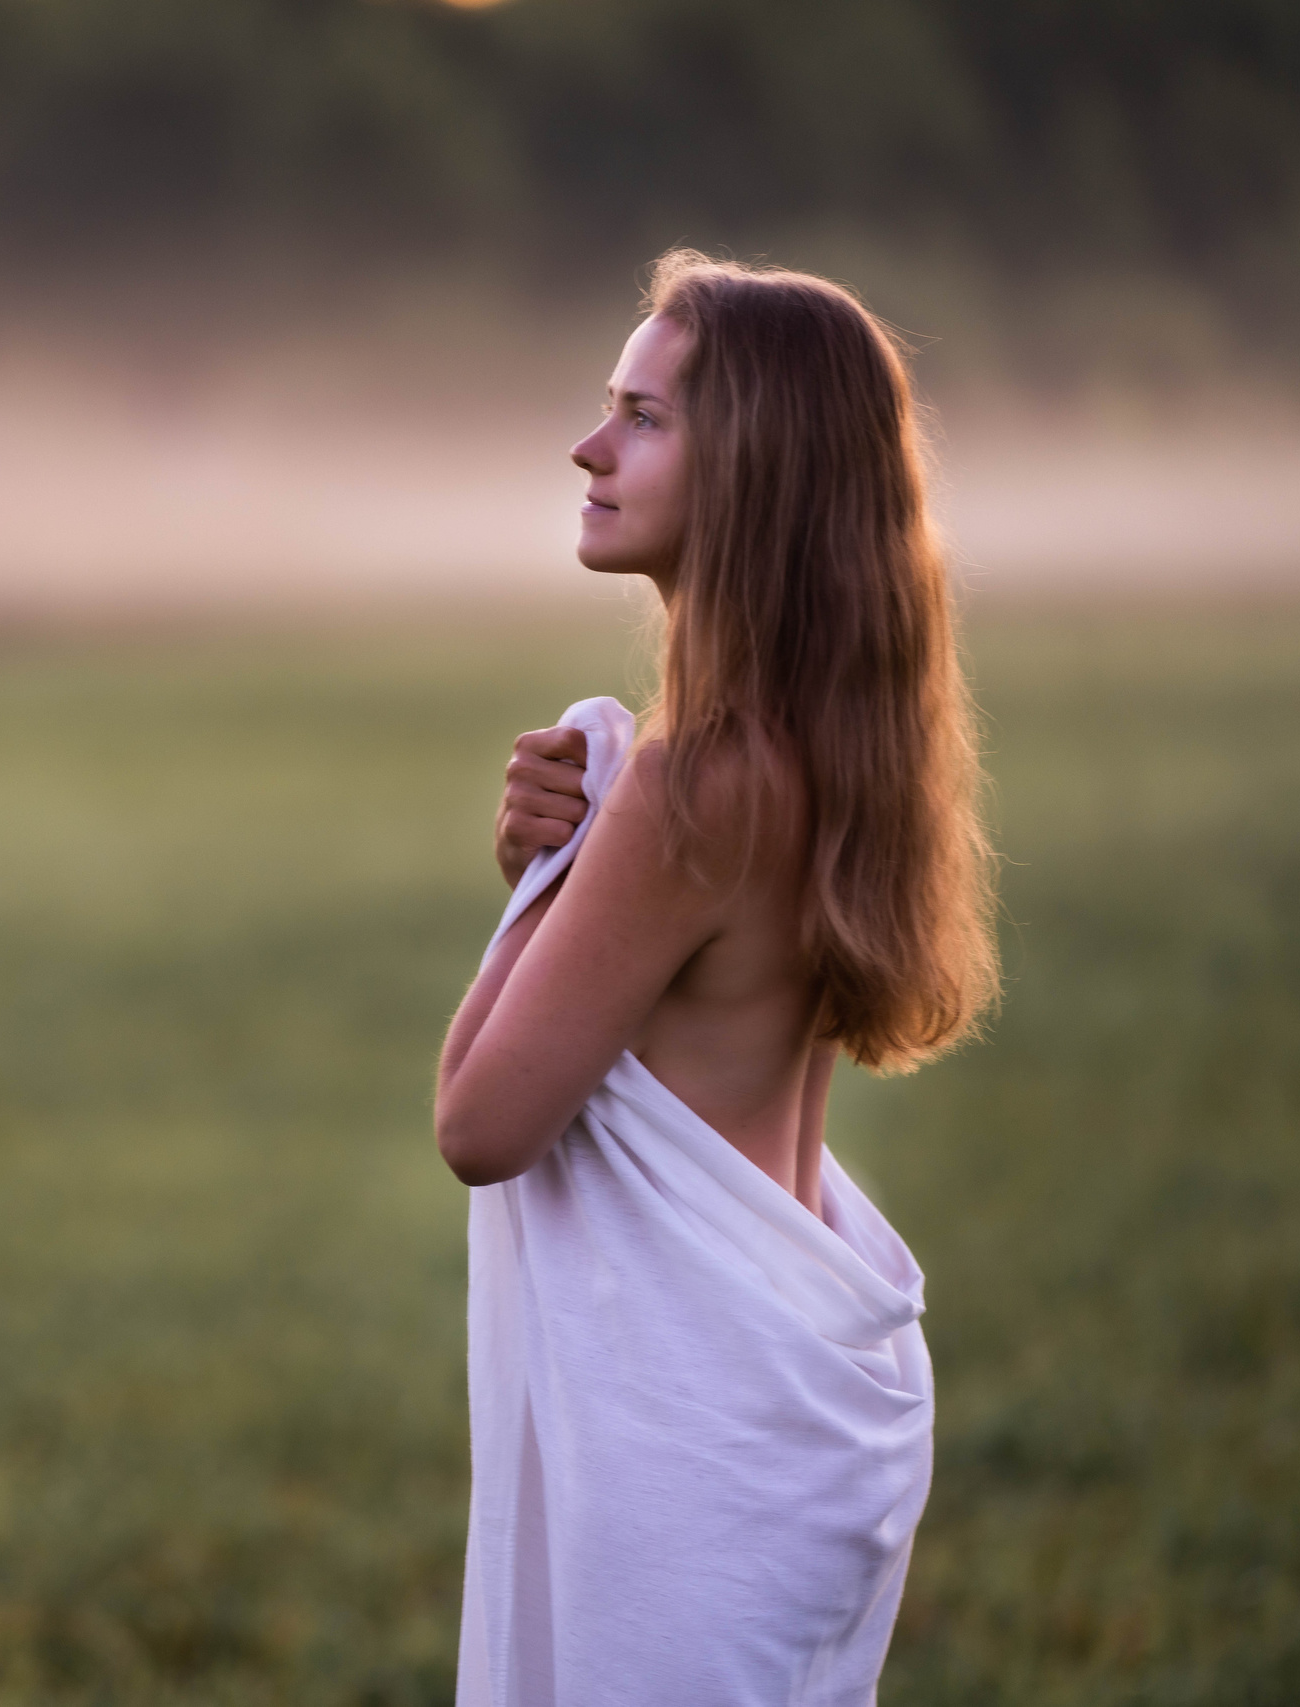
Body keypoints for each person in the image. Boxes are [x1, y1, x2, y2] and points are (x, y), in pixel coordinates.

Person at [433, 252, 999, 1705]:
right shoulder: (833, 754)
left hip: (693, 1436)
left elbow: (482, 1124)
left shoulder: (689, 788)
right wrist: (557, 883)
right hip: (801, 1418)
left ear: (751, 472)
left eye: (642, 416)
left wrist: (544, 896)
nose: (588, 446)